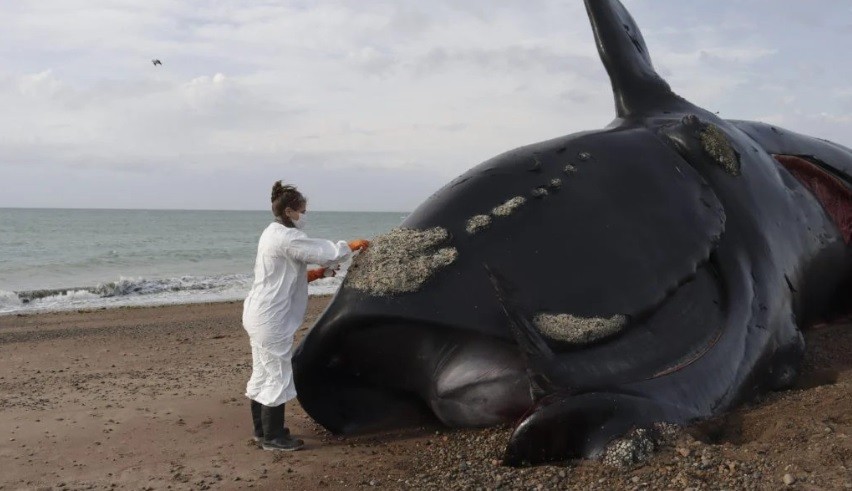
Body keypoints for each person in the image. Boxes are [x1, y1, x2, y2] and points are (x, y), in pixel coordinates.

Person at [242, 181, 369, 451]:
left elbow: (283, 273)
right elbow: (322, 252)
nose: (305, 214)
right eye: (302, 209)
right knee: (276, 375)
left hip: (258, 312)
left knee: (263, 372)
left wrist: (313, 275)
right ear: (289, 211)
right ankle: (274, 437)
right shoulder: (287, 237)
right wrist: (350, 246)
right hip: (270, 319)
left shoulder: (271, 233)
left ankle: (261, 431)